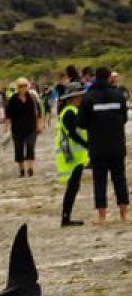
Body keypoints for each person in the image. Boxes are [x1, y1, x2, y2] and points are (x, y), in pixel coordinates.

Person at [76, 66, 128, 224]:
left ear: (95, 77)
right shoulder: (119, 95)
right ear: (109, 77)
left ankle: (102, 216)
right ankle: (124, 214)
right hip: (117, 144)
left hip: (97, 145)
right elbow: (124, 118)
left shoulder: (88, 97)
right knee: (119, 178)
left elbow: (81, 123)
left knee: (99, 180)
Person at [54, 89, 89, 227]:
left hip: (74, 156)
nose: (81, 98)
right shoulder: (70, 112)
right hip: (71, 156)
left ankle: (66, 217)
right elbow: (73, 134)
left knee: (73, 187)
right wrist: (88, 145)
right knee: (72, 188)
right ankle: (66, 218)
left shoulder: (70, 111)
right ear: (72, 98)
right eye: (79, 96)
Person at [4, 77, 42, 177]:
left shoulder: (32, 98)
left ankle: (30, 168)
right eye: (21, 86)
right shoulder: (13, 99)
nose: (23, 88)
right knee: (19, 148)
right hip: (17, 128)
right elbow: (8, 115)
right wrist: (6, 128)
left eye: (25, 85)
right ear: (17, 87)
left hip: (31, 127)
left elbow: (38, 113)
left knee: (30, 146)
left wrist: (39, 125)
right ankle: (21, 169)